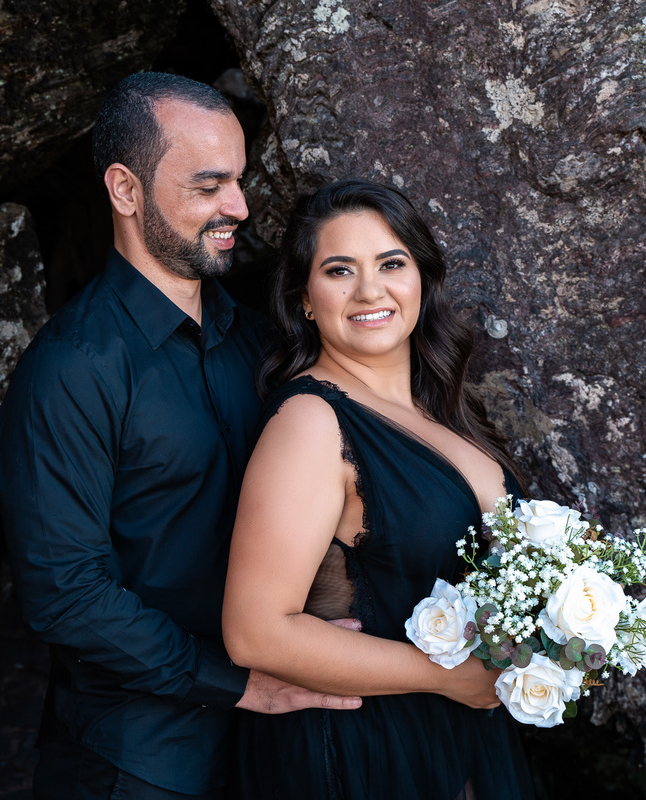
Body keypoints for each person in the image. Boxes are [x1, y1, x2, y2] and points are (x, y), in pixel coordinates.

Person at [0, 73, 359, 800]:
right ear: (125, 191)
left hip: (271, 753)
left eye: (241, 182)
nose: (240, 208)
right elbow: (66, 593)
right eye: (209, 185)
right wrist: (239, 683)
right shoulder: (71, 369)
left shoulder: (261, 344)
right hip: (137, 764)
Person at [223, 179, 534, 799]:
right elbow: (254, 632)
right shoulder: (311, 422)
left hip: (458, 736)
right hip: (368, 751)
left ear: (421, 277)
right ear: (305, 300)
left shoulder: (440, 409)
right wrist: (446, 676)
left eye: (391, 263)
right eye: (339, 270)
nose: (370, 290)